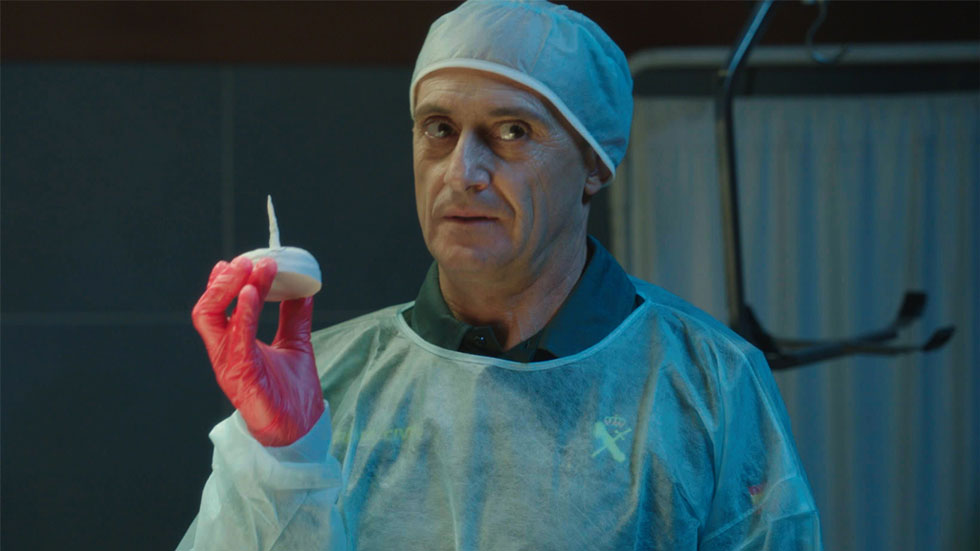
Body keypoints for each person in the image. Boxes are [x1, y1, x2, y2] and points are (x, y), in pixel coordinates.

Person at [178, 1, 822, 549]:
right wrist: (283, 462)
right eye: (439, 129)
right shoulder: (320, 387)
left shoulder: (707, 385)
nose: (462, 172)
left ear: (595, 165)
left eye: (512, 131)